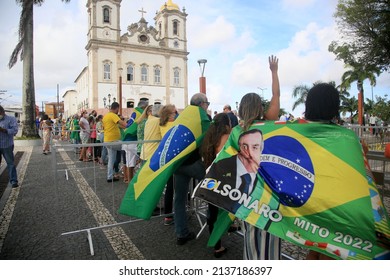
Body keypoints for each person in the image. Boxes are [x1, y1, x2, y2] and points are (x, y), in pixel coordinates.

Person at [237, 55, 281, 260]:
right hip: (269, 191)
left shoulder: (238, 131)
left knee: (250, 236)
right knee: (270, 235)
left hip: (245, 190)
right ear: (259, 108)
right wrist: (274, 72)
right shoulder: (269, 125)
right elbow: (276, 95)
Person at [302, 83, 341, 260]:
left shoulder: (298, 133)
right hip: (336, 207)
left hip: (309, 204)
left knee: (315, 248)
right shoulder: (346, 138)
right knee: (329, 251)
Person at [174, 93, 211, 245]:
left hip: (179, 163)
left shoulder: (181, 117)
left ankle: (181, 233)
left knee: (179, 199)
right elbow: (210, 138)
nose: (207, 106)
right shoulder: (203, 117)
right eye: (207, 103)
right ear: (202, 104)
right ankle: (215, 230)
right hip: (195, 164)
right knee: (213, 193)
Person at [198, 129, 264, 214]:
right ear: (238, 147)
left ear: (261, 149)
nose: (249, 152)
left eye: (254, 147)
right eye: (244, 146)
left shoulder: (265, 175)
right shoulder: (222, 165)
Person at [200, 112, 232, 258]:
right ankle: (218, 244)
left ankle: (216, 244)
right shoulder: (227, 137)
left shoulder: (209, 137)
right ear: (226, 125)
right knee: (225, 210)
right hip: (223, 180)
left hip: (210, 178)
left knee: (212, 212)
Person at [159, 104, 177, 226]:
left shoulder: (162, 125)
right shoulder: (174, 125)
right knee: (177, 187)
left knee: (169, 188)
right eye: (174, 112)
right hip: (175, 159)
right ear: (169, 115)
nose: (176, 114)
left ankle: (168, 215)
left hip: (166, 158)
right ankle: (181, 210)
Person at [102, 102, 127, 182]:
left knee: (111, 160)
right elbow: (122, 123)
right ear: (116, 108)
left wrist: (124, 126)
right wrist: (129, 125)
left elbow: (118, 125)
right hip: (113, 141)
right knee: (128, 147)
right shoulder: (113, 115)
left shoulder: (106, 116)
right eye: (118, 109)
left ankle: (109, 177)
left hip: (107, 140)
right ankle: (128, 171)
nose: (118, 111)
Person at [0, 105, 19, 188]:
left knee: (10, 163)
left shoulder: (11, 119)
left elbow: (15, 131)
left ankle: (13, 181)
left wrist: (4, 130)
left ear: (2, 112)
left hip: (6, 145)